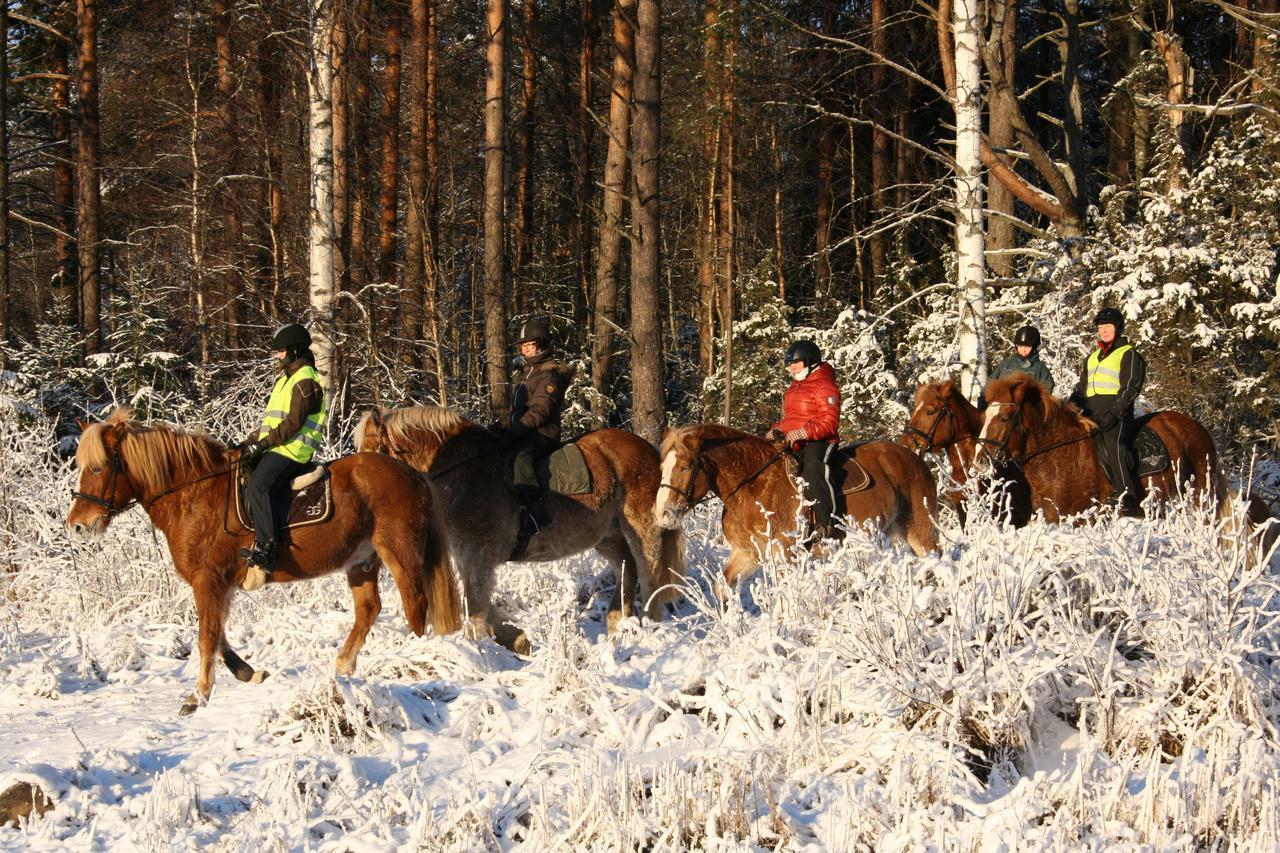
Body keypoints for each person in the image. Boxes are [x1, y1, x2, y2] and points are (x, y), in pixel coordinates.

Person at [236, 323, 327, 588]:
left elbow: (292, 423)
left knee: (258, 486)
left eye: (281, 351)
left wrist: (263, 445)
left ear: (295, 350)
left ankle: (266, 548)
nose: (278, 356)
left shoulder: (306, 380)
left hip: (294, 450)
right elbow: (270, 422)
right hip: (279, 446)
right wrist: (248, 443)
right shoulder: (285, 380)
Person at [492, 316, 572, 540]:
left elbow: (540, 411)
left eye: (530, 345)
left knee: (519, 457)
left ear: (542, 344)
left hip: (543, 434)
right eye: (523, 345)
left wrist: (514, 431)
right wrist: (500, 427)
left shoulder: (549, 374)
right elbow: (518, 411)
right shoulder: (526, 374)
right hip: (525, 430)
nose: (525, 349)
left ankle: (536, 513)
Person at [1069, 307, 1147, 516]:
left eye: (1108, 327)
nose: (1103, 331)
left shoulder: (1128, 354)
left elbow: (1131, 386)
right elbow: (1081, 387)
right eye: (1100, 327)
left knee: (1114, 444)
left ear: (1118, 328)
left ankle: (1126, 494)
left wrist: (1115, 412)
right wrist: (1070, 407)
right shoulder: (1092, 358)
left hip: (1116, 412)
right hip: (1091, 412)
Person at [768, 339, 842, 543]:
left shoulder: (825, 386)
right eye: (790, 364)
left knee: (812, 466)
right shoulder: (794, 388)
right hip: (797, 441)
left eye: (796, 363)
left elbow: (830, 422)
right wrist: (776, 430)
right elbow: (789, 420)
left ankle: (826, 524)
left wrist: (804, 433)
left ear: (810, 362)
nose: (791, 367)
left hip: (821, 441)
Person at [990, 325, 1054, 393]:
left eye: (1027, 347)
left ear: (1035, 347)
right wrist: (982, 398)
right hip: (1002, 401)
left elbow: (1047, 389)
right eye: (1020, 346)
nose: (1023, 350)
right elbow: (990, 383)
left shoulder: (1040, 368)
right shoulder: (1006, 364)